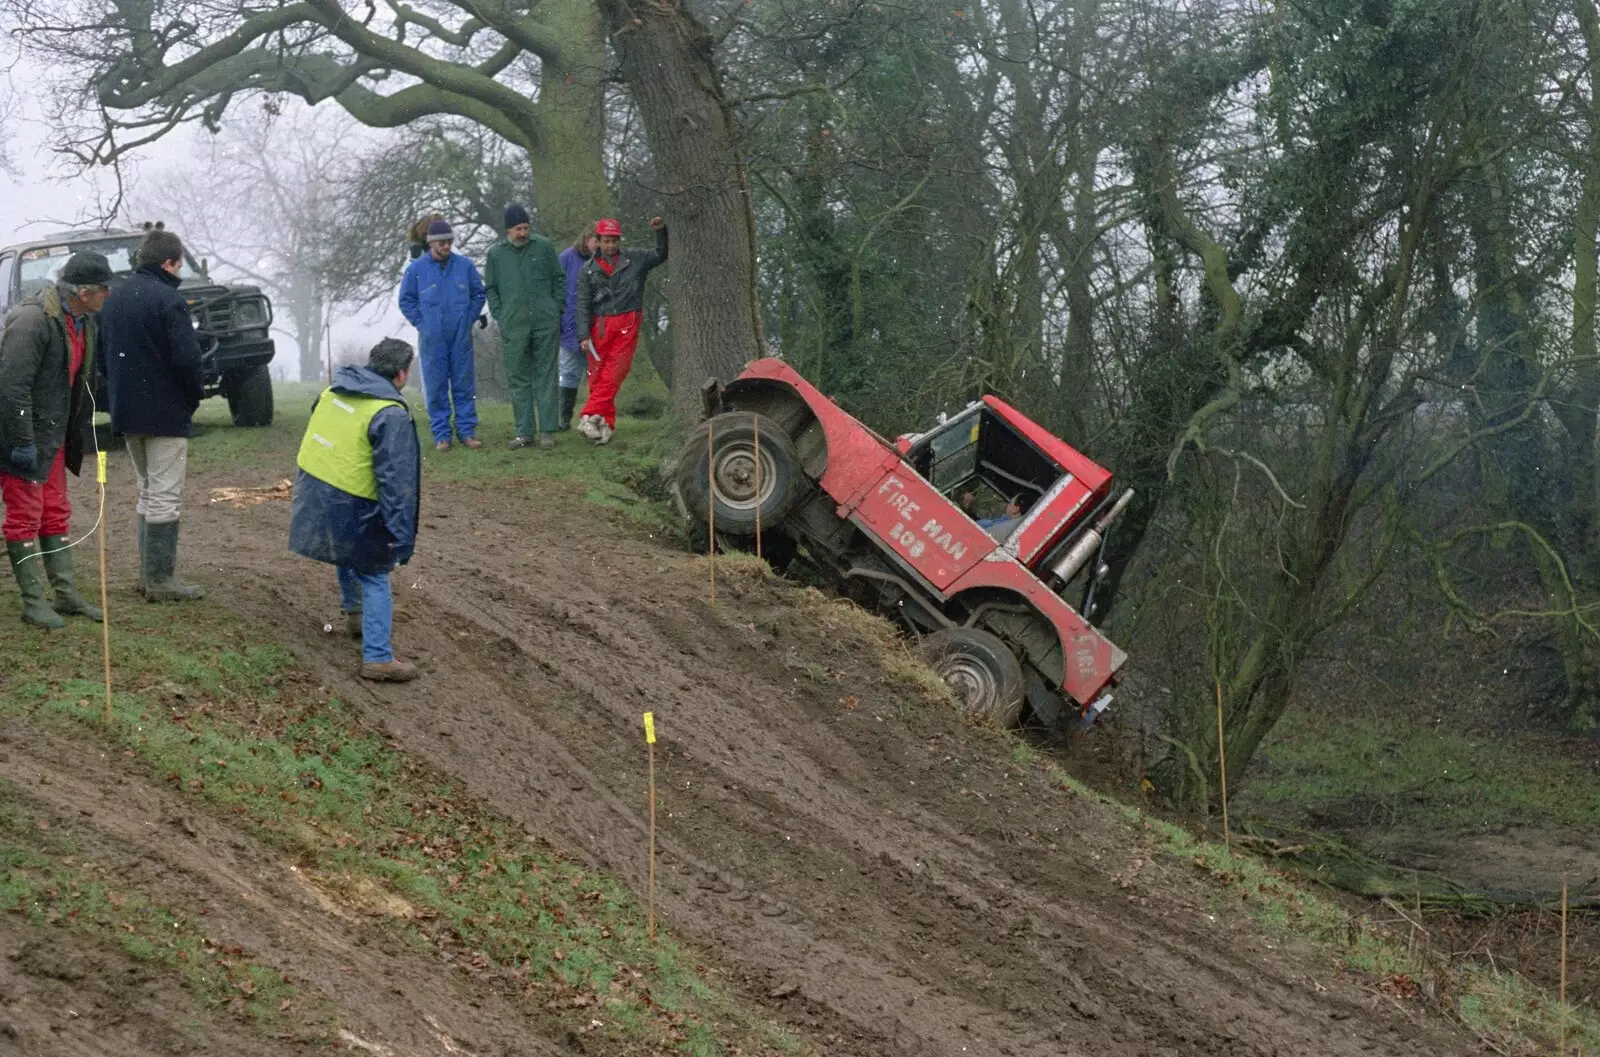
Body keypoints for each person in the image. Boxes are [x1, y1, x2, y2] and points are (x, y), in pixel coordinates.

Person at [289, 338, 422, 683]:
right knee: (376, 571)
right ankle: (378, 657)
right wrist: (401, 540)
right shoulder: (390, 412)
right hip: (351, 498)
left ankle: (355, 614)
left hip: (313, 489)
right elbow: (397, 484)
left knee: (348, 553)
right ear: (402, 374)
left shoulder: (332, 391)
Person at [0, 251, 112, 627]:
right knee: (24, 515)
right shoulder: (32, 320)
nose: (107, 296)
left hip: (54, 436)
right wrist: (21, 440)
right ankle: (34, 602)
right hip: (23, 437)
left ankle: (65, 595)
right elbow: (12, 387)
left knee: (54, 511)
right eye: (103, 289)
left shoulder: (82, 321)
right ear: (83, 291)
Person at [97, 227, 207, 603]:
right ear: (169, 262)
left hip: (127, 411)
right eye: (178, 266)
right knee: (164, 494)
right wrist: (192, 397)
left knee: (147, 490)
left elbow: (102, 360)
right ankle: (160, 580)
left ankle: (149, 575)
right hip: (166, 413)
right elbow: (188, 360)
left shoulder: (113, 300)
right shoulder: (170, 301)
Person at [575, 216, 668, 444]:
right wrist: (583, 335)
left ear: (619, 240)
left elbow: (660, 254)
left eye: (614, 241)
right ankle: (604, 424)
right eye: (606, 241)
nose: (611, 246)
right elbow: (582, 304)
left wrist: (661, 231)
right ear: (597, 241)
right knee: (597, 376)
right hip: (600, 326)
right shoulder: (587, 270)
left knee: (615, 372)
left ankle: (587, 416)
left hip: (627, 322)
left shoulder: (635, 258)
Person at [398, 219, 486, 452]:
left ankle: (467, 431)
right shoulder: (415, 270)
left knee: (463, 384)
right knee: (436, 387)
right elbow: (406, 300)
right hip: (432, 338)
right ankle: (442, 435)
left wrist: (469, 319)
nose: (446, 246)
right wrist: (422, 323)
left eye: (449, 242)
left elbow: (478, 293)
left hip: (460, 335)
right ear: (430, 243)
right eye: (441, 243)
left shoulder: (465, 266)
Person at [484, 203, 564, 449]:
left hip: (545, 322)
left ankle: (547, 431)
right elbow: (491, 288)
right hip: (514, 325)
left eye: (526, 227)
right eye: (518, 228)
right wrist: (500, 315)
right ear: (508, 230)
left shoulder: (544, 246)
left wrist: (556, 308)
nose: (523, 233)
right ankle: (524, 432)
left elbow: (558, 279)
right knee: (518, 377)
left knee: (546, 375)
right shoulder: (496, 254)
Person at [557, 225, 599, 432]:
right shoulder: (566, 258)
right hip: (569, 325)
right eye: (596, 240)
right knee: (569, 372)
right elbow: (557, 288)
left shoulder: (602, 261)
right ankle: (564, 417)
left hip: (596, 326)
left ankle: (594, 416)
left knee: (595, 373)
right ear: (587, 239)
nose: (599, 245)